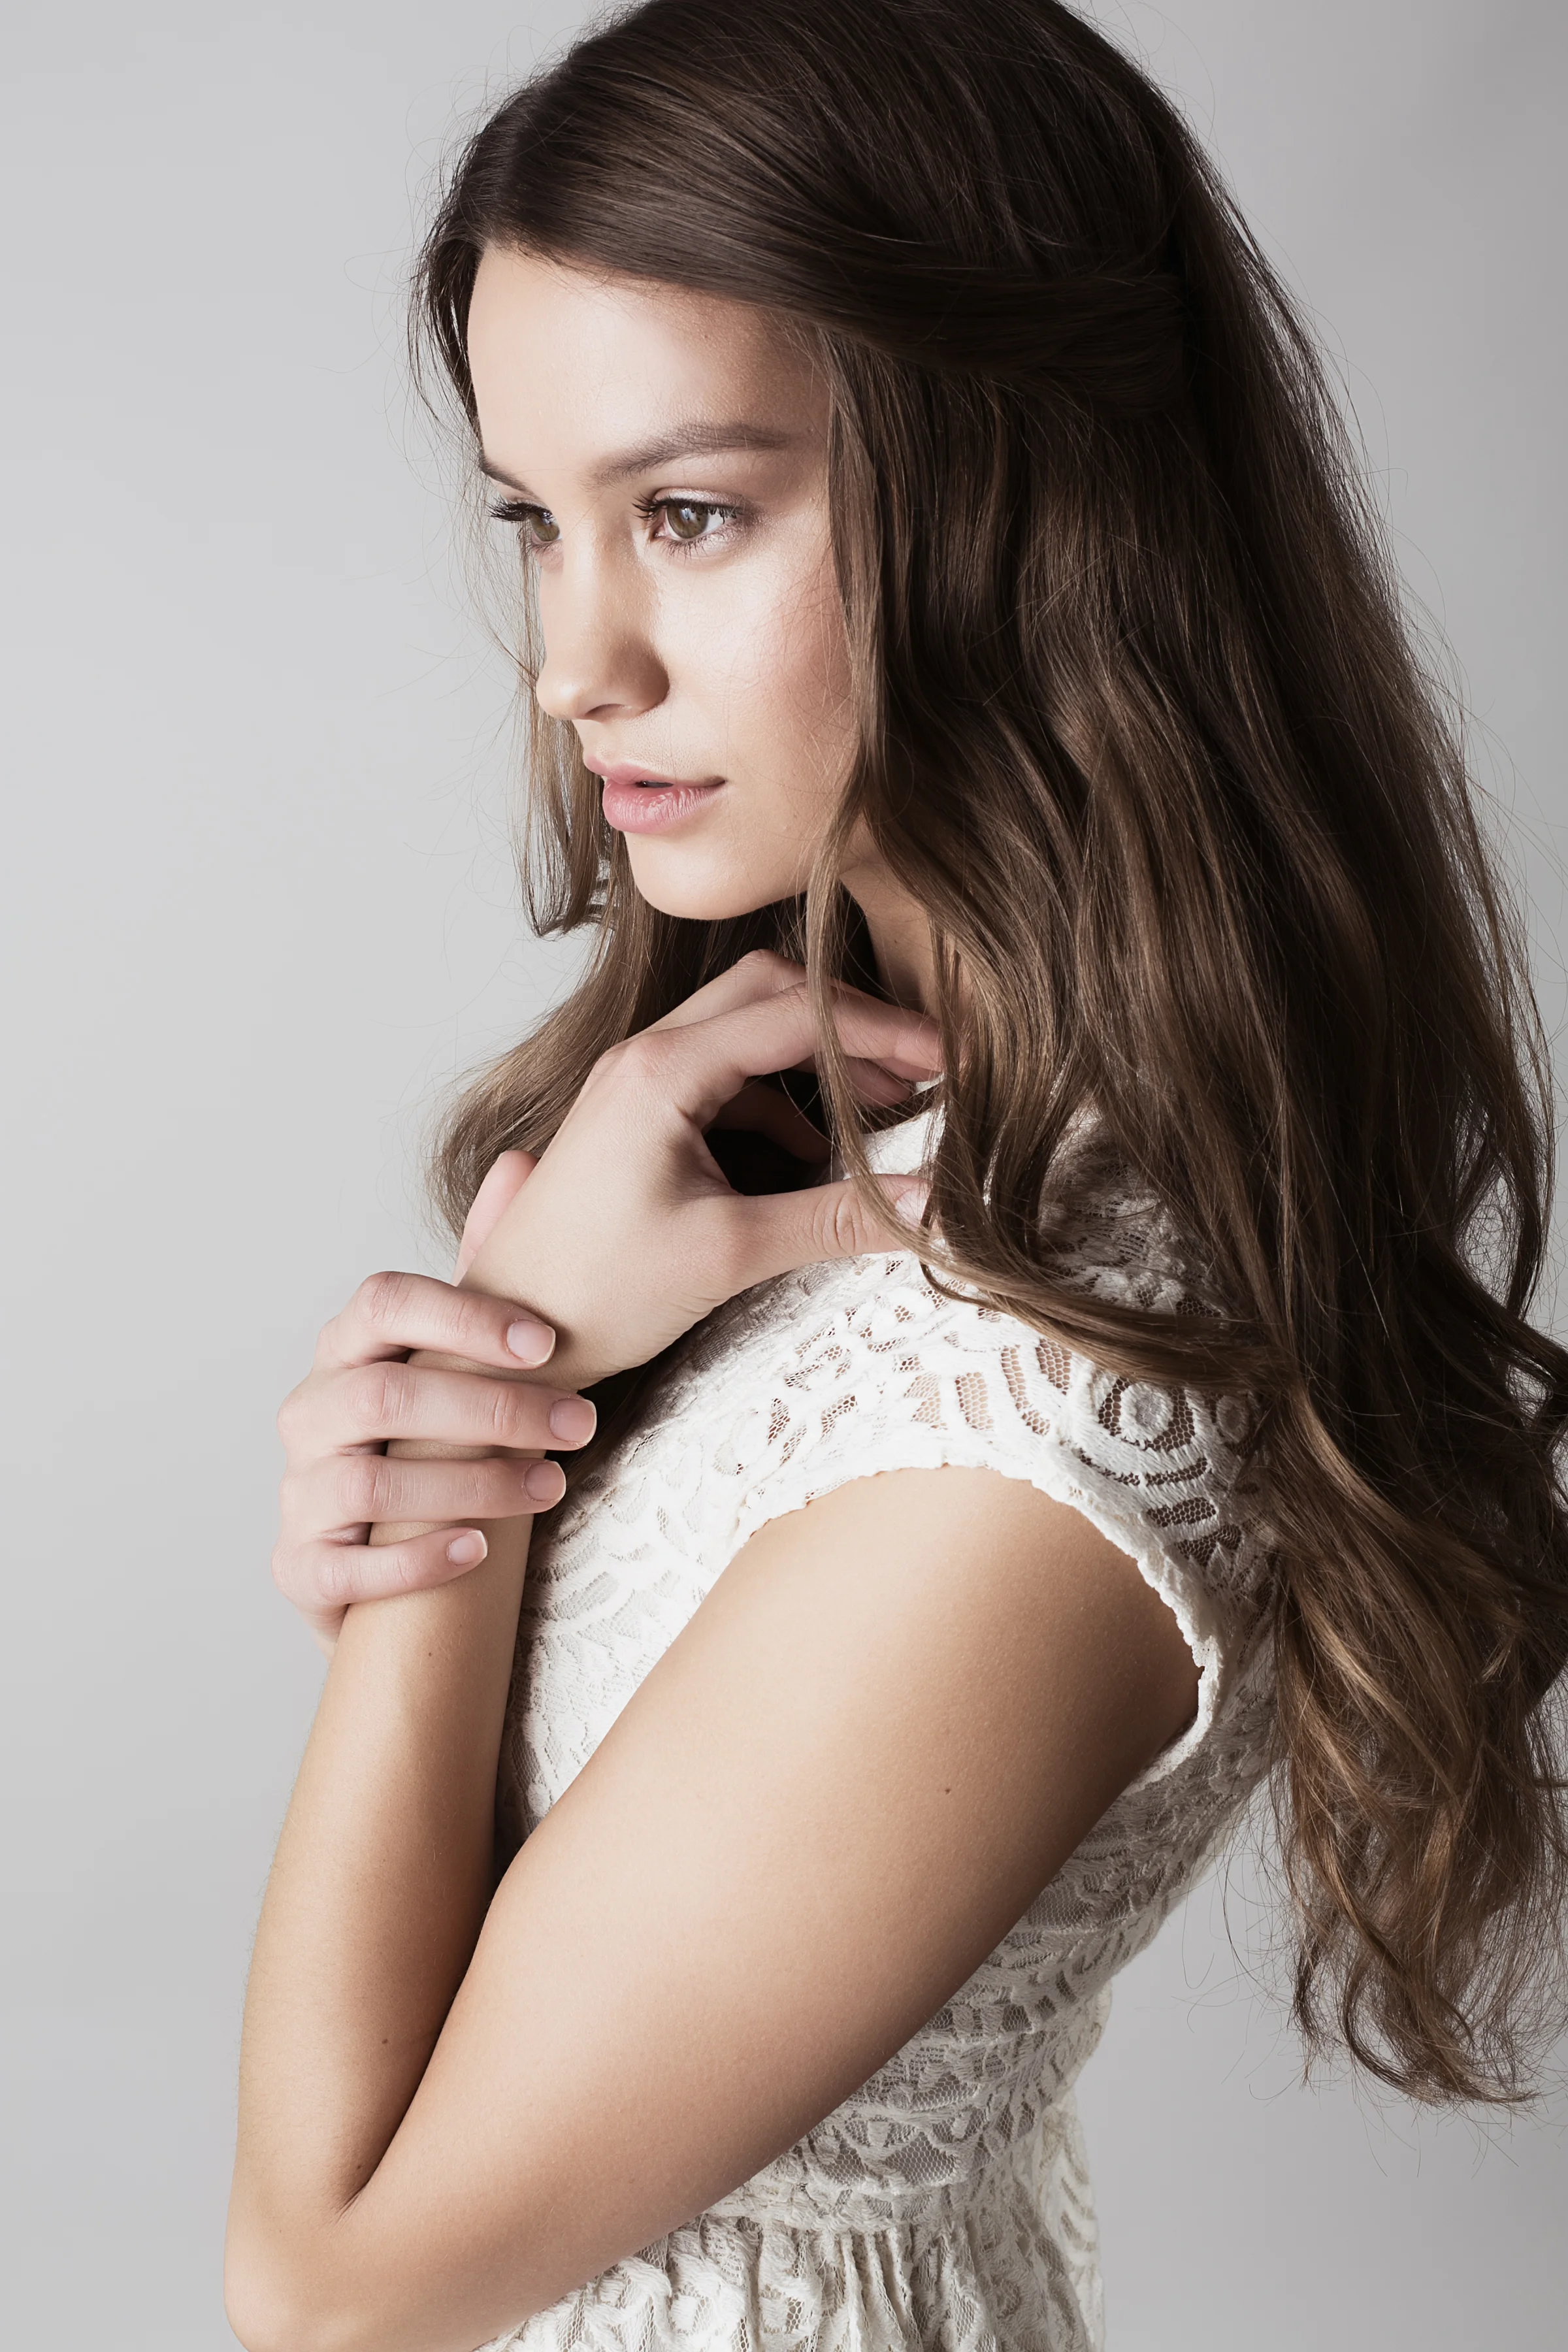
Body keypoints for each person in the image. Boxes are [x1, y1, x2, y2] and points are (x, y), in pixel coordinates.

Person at [223, 3, 1568, 2347]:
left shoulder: (1042, 1425)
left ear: (1031, 496)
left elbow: (331, 2280)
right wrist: (491, 1411)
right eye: (538, 523)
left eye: (690, 513)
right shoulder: (795, 1161)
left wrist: (473, 1450)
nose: (574, 664)